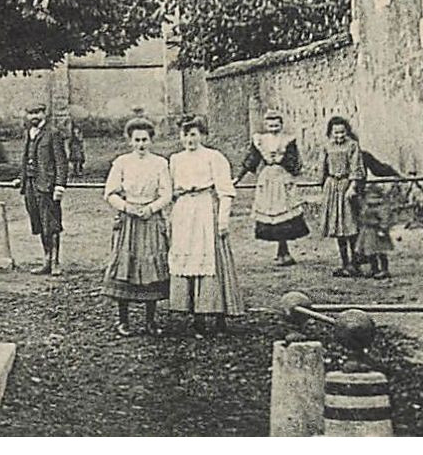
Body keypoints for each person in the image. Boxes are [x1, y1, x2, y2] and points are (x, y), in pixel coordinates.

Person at [166, 115, 244, 334]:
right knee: (186, 258)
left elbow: (226, 191)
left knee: (212, 262)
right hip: (183, 212)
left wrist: (223, 219)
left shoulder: (214, 157)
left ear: (202, 134)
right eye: (185, 134)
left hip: (205, 209)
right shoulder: (175, 160)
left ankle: (219, 317)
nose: (189, 139)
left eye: (193, 134)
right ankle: (195, 317)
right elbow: (169, 190)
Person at [102, 118, 172, 337]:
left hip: (151, 218)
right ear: (130, 141)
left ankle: (150, 321)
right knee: (126, 265)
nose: (141, 144)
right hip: (129, 220)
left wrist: (152, 208)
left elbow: (167, 193)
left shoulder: (160, 163)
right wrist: (127, 207)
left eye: (145, 140)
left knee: (152, 266)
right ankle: (123, 320)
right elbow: (110, 193)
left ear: (151, 140)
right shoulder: (121, 162)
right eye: (137, 140)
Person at [235, 109, 309, 266]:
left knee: (285, 212)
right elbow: (251, 159)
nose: (273, 127)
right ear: (266, 124)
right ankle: (281, 251)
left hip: (282, 177)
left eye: (276, 124)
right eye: (270, 124)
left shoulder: (288, 140)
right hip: (268, 178)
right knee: (271, 212)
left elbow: (294, 161)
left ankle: (284, 251)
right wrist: (238, 177)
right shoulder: (260, 140)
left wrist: (287, 161)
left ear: (281, 125)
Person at [21, 105, 68, 275]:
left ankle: (55, 262)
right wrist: (23, 178)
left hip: (47, 186)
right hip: (31, 185)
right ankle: (46, 260)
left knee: (51, 224)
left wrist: (59, 185)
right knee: (39, 223)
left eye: (36, 112)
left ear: (44, 113)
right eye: (30, 112)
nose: (33, 116)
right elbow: (26, 158)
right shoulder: (29, 133)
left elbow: (61, 162)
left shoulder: (53, 133)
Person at [320, 116, 364, 276]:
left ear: (347, 132)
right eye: (335, 132)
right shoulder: (327, 146)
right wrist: (323, 186)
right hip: (332, 187)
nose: (339, 136)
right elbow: (323, 168)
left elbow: (356, 168)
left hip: (346, 188)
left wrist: (352, 187)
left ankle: (355, 263)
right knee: (338, 228)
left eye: (342, 132)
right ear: (330, 133)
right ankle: (344, 263)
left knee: (350, 227)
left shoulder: (352, 146)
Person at [352, 147, 399, 279]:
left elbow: (384, 216)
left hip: (376, 231)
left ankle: (383, 269)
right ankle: (372, 268)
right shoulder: (365, 203)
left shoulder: (380, 206)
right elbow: (362, 212)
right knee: (369, 252)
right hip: (367, 230)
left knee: (380, 252)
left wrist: (383, 228)